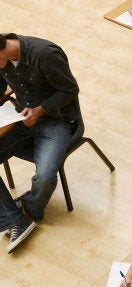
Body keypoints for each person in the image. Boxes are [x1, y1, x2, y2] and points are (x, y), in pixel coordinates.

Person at [0, 33, 79, 253]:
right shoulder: (3, 61)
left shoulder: (44, 54)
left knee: (44, 177)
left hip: (55, 122)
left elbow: (71, 90)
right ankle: (16, 220)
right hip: (21, 120)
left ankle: (28, 209)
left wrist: (39, 110)